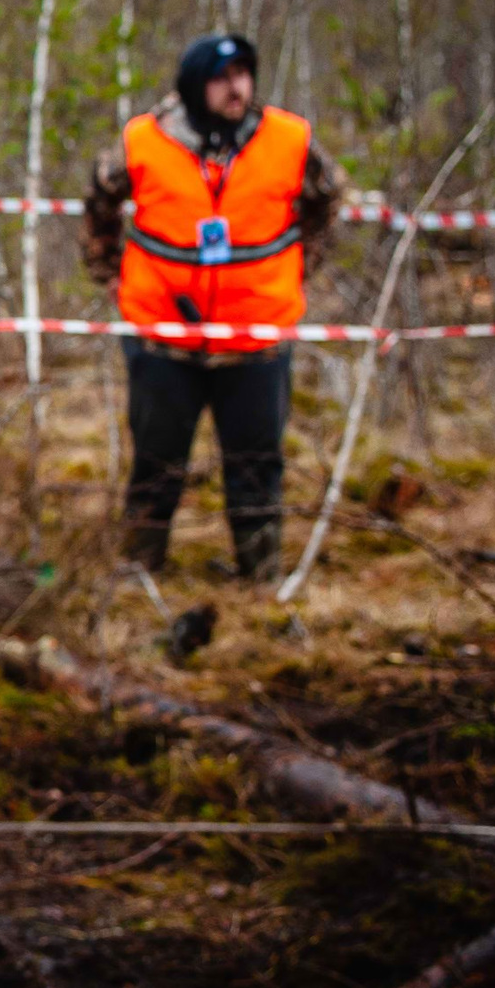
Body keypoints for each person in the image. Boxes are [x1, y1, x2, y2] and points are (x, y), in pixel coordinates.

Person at [83, 32, 346, 580]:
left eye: (244, 75)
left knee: (256, 462)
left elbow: (328, 199)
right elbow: (99, 202)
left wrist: (299, 265)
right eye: (223, 78)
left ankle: (259, 571)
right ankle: (140, 568)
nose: (237, 88)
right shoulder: (145, 140)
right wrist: (110, 273)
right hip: (164, 335)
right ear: (194, 84)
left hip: (255, 337)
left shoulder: (288, 138)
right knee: (156, 460)